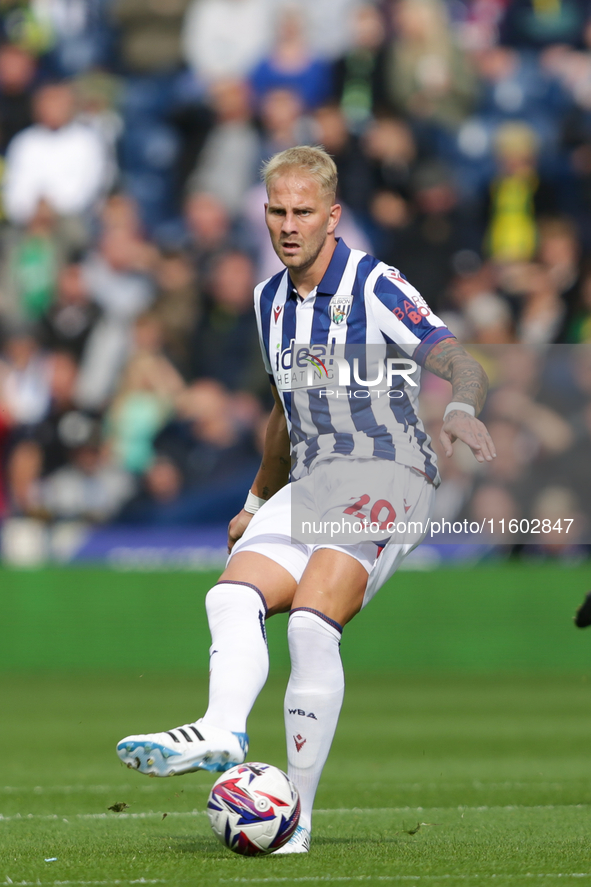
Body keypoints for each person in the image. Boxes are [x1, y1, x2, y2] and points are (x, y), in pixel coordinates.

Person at [116, 146, 496, 854]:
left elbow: (457, 359)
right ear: (263, 213)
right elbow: (283, 410)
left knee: (310, 627)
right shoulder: (266, 301)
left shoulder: (374, 284)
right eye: (277, 211)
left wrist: (457, 410)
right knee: (231, 596)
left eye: (302, 212)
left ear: (332, 216)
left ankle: (296, 821)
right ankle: (222, 725)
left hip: (389, 476)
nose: (288, 225)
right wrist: (256, 496)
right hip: (313, 480)